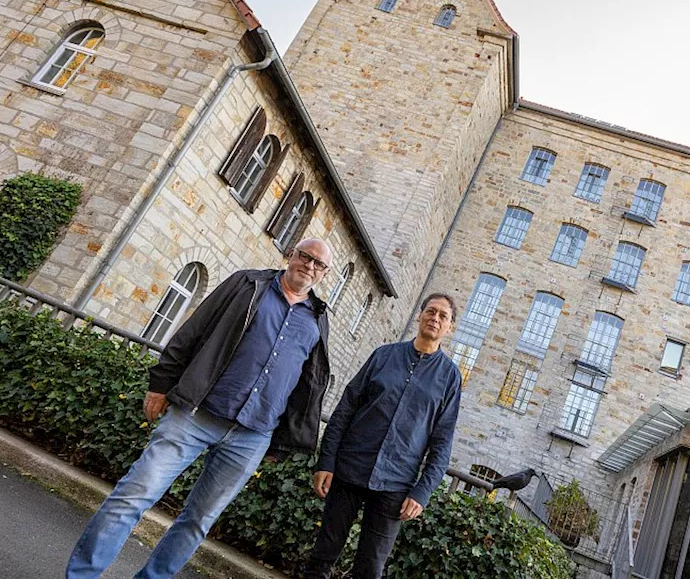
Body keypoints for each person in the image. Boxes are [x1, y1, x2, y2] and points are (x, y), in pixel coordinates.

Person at [66, 239, 335, 579]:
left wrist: (282, 441)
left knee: (197, 522)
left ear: (324, 273)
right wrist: (162, 382)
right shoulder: (247, 285)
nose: (309, 266)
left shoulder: (317, 319)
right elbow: (195, 328)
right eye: (305, 257)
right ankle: (82, 575)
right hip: (196, 415)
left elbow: (307, 385)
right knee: (135, 494)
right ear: (291, 256)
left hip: (252, 436)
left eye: (318, 264)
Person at [303, 293, 462, 579]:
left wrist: (422, 492)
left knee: (370, 569)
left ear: (450, 327)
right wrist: (326, 462)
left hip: (396, 484)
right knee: (323, 553)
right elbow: (345, 410)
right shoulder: (384, 355)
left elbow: (442, 442)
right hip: (350, 470)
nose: (435, 318)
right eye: (431, 311)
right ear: (420, 314)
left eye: (443, 316)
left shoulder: (450, 377)